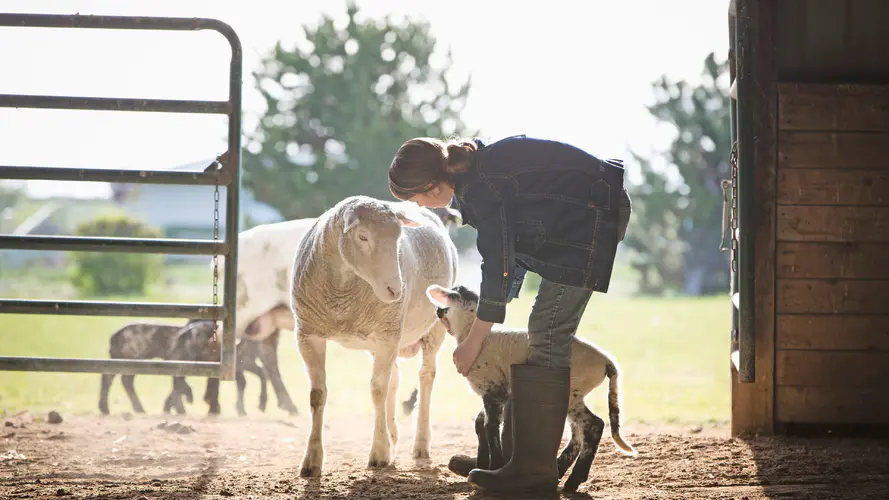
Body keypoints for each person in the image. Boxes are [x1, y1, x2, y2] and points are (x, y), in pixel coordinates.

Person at [387, 134, 631, 494]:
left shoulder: (480, 188)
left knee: (547, 329)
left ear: (433, 185)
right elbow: (511, 250)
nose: (421, 206)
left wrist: (472, 342)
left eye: (416, 198)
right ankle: (509, 460)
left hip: (593, 217)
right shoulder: (475, 176)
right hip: (586, 212)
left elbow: (499, 264)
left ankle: (531, 471)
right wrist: (499, 302)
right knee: (544, 328)